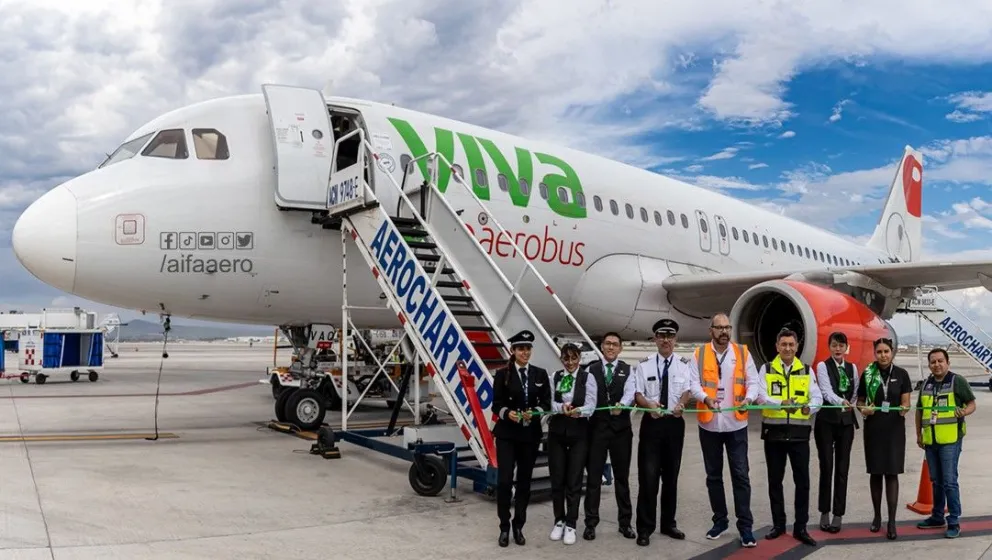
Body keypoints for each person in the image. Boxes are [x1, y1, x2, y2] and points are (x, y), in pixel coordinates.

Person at [689, 313, 759, 548]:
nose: (723, 332)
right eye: (719, 328)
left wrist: (748, 398)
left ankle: (746, 528)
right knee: (714, 476)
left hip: (736, 424)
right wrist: (705, 398)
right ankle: (720, 521)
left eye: (727, 327)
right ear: (711, 330)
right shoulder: (699, 354)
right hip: (709, 424)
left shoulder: (742, 352)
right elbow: (694, 384)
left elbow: (753, 381)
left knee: (741, 476)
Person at [754, 328, 821, 547]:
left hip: (799, 435)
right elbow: (760, 397)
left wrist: (808, 408)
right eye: (784, 344)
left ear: (797, 347)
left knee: (803, 483)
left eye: (791, 344)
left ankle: (800, 527)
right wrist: (780, 403)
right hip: (774, 434)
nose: (788, 348)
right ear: (777, 346)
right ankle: (778, 525)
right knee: (775, 482)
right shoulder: (766, 369)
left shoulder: (806, 371)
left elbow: (817, 396)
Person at [633, 318, 693, 545]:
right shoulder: (644, 364)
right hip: (651, 424)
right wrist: (648, 405)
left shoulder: (685, 364)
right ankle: (645, 528)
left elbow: (687, 390)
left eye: (670, 336)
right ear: (655, 339)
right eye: (661, 335)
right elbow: (638, 393)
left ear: (675, 340)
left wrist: (682, 404)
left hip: (674, 424)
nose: (665, 340)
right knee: (648, 478)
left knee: (671, 477)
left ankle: (669, 524)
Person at [491, 329, 552, 547]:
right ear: (513, 350)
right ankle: (504, 526)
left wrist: (535, 411)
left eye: (528, 349)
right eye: (520, 349)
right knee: (505, 480)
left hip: (529, 435)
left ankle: (519, 525)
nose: (525, 352)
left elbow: (546, 403)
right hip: (507, 434)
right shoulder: (502, 374)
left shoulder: (540, 374)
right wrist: (507, 413)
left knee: (524, 481)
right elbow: (496, 404)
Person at [915, 347, 976, 539]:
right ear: (929, 365)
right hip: (931, 441)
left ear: (947, 362)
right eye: (933, 362)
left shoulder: (957, 381)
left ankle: (954, 521)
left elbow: (972, 403)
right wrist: (919, 434)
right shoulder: (926, 384)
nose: (937, 364)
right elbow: (919, 411)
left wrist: (964, 412)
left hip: (950, 440)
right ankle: (937, 516)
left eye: (940, 361)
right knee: (936, 481)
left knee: (949, 482)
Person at [856, 337, 913, 540]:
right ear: (875, 353)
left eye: (886, 351)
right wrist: (864, 409)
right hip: (874, 428)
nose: (883, 355)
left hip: (894, 430)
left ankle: (892, 521)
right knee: (875, 473)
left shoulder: (902, 374)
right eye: (879, 352)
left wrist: (905, 408)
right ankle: (877, 517)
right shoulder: (869, 374)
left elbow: (906, 401)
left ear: (892, 352)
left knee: (892, 474)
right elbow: (859, 401)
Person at [583, 332, 637, 541]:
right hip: (597, 430)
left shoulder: (627, 370)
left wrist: (621, 406)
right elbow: (588, 396)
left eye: (615, 344)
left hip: (621, 431)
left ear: (620, 348)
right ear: (602, 347)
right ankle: (590, 523)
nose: (611, 347)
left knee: (622, 478)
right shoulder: (591, 370)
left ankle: (625, 523)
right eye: (607, 344)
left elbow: (631, 392)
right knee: (594, 478)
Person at [547, 343, 597, 546]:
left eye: (574, 358)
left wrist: (579, 411)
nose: (570, 363)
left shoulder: (587, 378)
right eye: (566, 359)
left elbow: (592, 404)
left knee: (574, 480)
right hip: (558, 432)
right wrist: (561, 407)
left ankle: (571, 524)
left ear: (579, 359)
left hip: (579, 432)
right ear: (561, 359)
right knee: (557, 479)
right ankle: (558, 520)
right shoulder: (555, 377)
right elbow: (548, 402)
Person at [814, 331, 860, 534]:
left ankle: (838, 513)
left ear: (846, 347)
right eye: (834, 345)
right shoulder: (823, 366)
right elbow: (825, 391)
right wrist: (841, 402)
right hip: (827, 421)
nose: (838, 349)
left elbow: (856, 390)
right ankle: (824, 510)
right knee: (826, 466)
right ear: (829, 347)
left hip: (846, 422)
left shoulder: (852, 368)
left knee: (842, 468)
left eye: (841, 345)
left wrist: (852, 403)